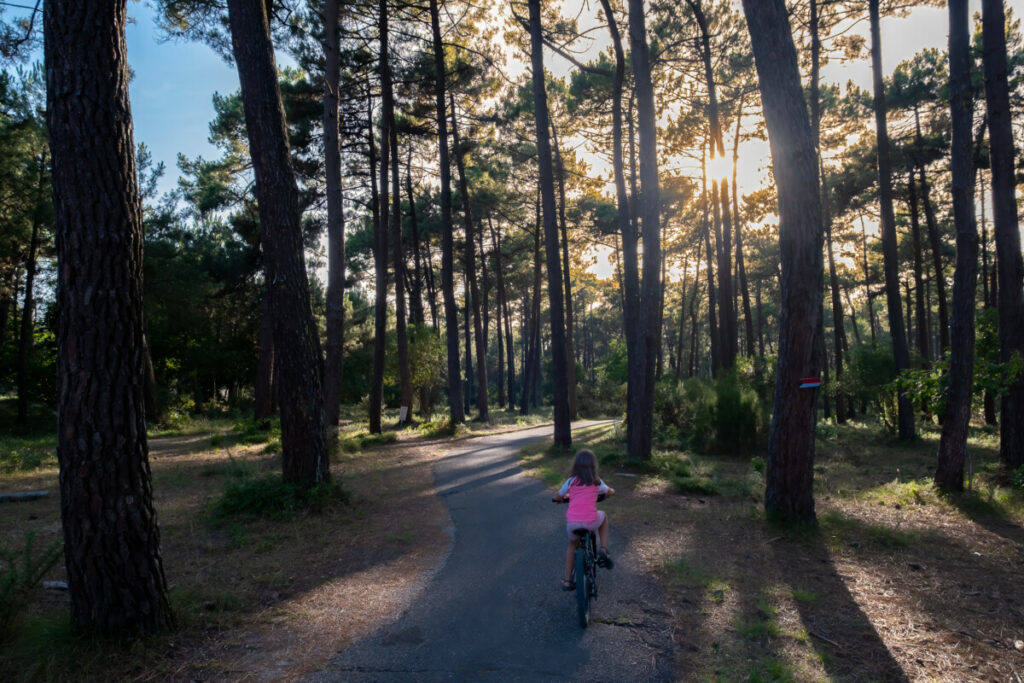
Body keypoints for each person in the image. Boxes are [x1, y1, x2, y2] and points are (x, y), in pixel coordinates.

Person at [551, 449, 615, 590]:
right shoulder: (597, 481)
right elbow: (609, 491)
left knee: (572, 545)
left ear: (576, 465)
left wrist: (562, 499)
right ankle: (604, 549)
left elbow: (557, 496)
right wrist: (609, 494)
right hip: (591, 521)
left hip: (572, 524)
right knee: (603, 516)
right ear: (593, 465)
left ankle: (567, 581)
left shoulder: (571, 481)